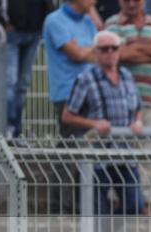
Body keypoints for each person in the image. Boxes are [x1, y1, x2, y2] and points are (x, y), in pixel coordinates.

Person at [62, 31, 145, 218]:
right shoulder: (85, 79)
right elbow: (67, 116)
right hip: (99, 156)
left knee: (135, 205)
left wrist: (137, 121)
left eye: (114, 48)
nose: (110, 52)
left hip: (125, 154)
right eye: (104, 49)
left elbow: (137, 107)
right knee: (98, 210)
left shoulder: (126, 76)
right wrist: (94, 124)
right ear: (95, 52)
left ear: (120, 50)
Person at [104, 0, 151, 215]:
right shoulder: (111, 24)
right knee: (118, 155)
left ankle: (146, 204)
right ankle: (119, 202)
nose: (131, 4)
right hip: (119, 103)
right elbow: (117, 55)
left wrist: (135, 47)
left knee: (149, 154)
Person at [0, 0, 54, 138]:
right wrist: (0, 21)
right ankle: (6, 130)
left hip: (34, 30)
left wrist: (46, 18)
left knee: (23, 84)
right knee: (9, 82)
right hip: (9, 33)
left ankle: (15, 131)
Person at [44, 0, 98, 137]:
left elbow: (100, 53)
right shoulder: (55, 21)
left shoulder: (87, 20)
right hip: (68, 93)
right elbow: (77, 54)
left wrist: (85, 50)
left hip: (91, 91)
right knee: (74, 147)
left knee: (91, 146)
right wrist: (89, 51)